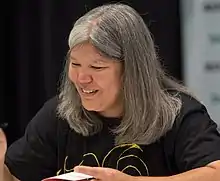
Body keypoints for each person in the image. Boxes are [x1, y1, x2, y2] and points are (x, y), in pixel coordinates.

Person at [1, 3, 220, 181]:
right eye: (75, 64)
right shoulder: (59, 114)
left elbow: (215, 173)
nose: (81, 78)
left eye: (97, 67)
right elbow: (14, 177)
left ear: (132, 70)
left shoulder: (179, 115)